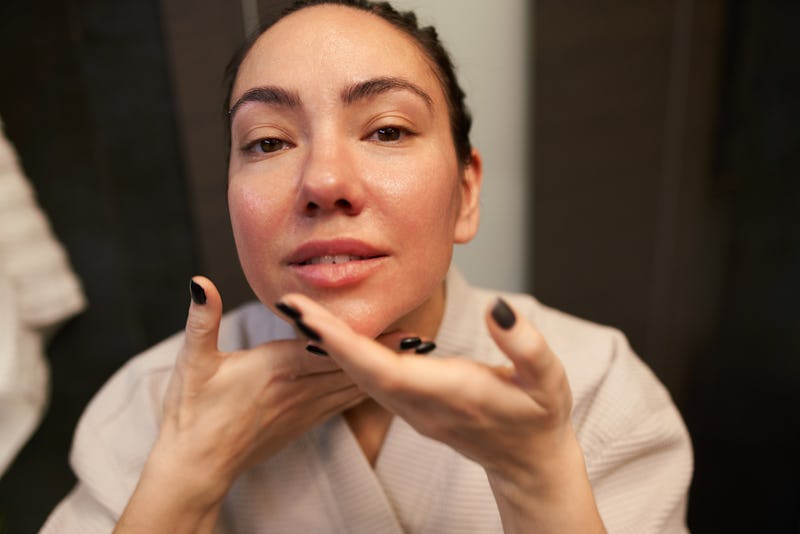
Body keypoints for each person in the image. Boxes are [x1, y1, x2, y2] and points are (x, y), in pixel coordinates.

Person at [42, 1, 693, 532]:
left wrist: (538, 477)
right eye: (267, 141)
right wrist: (187, 475)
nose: (324, 181)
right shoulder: (149, 408)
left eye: (386, 130)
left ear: (466, 194)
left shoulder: (601, 394)